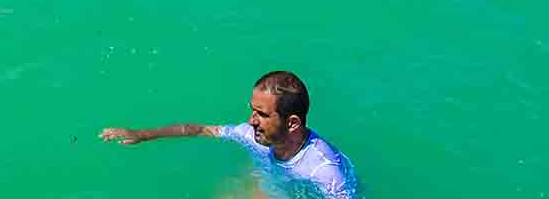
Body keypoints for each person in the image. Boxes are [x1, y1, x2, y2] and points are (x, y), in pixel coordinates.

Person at [100, 70, 359, 199]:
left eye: (262, 114)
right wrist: (143, 134)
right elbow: (201, 129)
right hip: (268, 186)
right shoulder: (253, 136)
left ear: (292, 123)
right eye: (252, 111)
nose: (251, 121)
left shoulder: (324, 171)